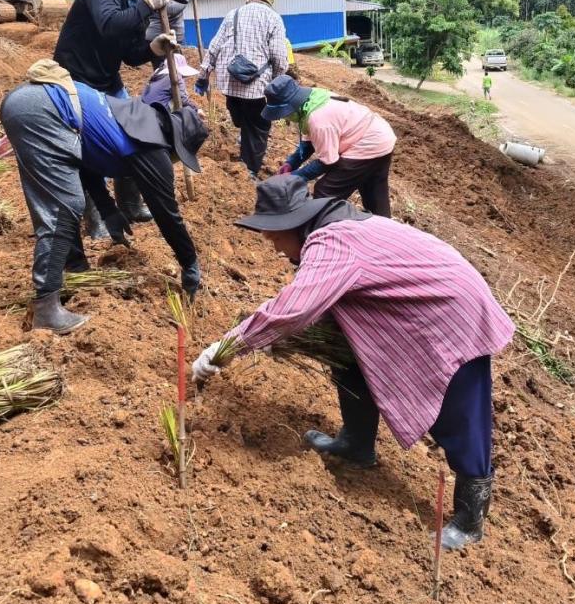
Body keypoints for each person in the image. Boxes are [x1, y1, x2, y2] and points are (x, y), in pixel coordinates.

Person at [192, 176, 514, 550]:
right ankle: (356, 445)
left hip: (453, 313)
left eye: (273, 237)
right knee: (348, 356)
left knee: (459, 410)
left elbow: (294, 308)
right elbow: (315, 308)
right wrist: (272, 337)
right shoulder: (334, 228)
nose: (275, 248)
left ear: (292, 225)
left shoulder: (332, 242)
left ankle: (470, 520)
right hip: (421, 308)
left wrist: (229, 345)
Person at [0, 59, 208, 333]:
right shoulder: (153, 150)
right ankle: (46, 310)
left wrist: (108, 209)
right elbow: (167, 215)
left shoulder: (136, 117)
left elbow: (86, 162)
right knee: (64, 207)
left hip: (29, 102)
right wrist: (189, 261)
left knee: (66, 199)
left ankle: (74, 269)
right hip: (43, 110)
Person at [52, 0, 190, 233]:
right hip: (75, 79)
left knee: (134, 132)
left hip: (107, 80)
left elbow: (129, 54)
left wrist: (154, 47)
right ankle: (96, 217)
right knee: (89, 146)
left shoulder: (139, 7)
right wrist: (147, 4)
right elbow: (109, 25)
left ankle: (129, 204)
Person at [194, 0, 289, 180]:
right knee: (258, 129)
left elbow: (214, 46)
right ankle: (250, 172)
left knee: (242, 119)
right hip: (257, 88)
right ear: (269, 3)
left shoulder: (232, 14)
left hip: (230, 83)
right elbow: (279, 57)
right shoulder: (273, 18)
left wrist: (203, 76)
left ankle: (244, 140)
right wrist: (276, 82)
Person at [266, 76, 397, 218]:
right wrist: (291, 163)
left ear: (292, 106)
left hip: (368, 144)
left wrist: (293, 177)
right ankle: (383, 228)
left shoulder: (318, 119)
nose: (284, 117)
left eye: (284, 113)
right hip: (382, 136)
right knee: (374, 192)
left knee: (325, 192)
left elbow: (328, 162)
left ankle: (324, 231)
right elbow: (308, 144)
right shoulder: (312, 99)